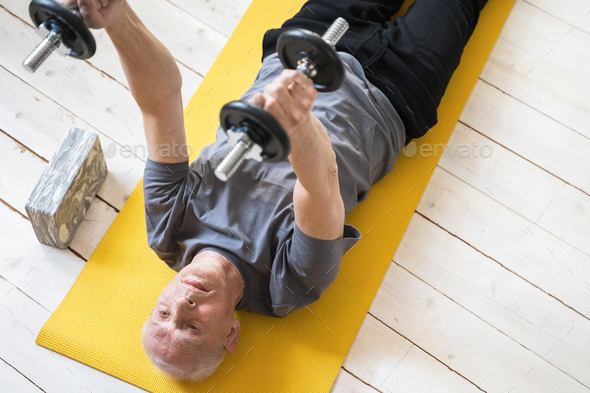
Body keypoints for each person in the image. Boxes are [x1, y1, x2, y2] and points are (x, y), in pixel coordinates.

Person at [64, 0, 487, 381]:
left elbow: (159, 103)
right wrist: (297, 123)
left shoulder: (167, 229)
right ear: (231, 333)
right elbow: (319, 186)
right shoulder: (288, 287)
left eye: (163, 313)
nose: (183, 305)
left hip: (307, 43)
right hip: (397, 90)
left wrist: (117, 18)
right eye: (192, 328)